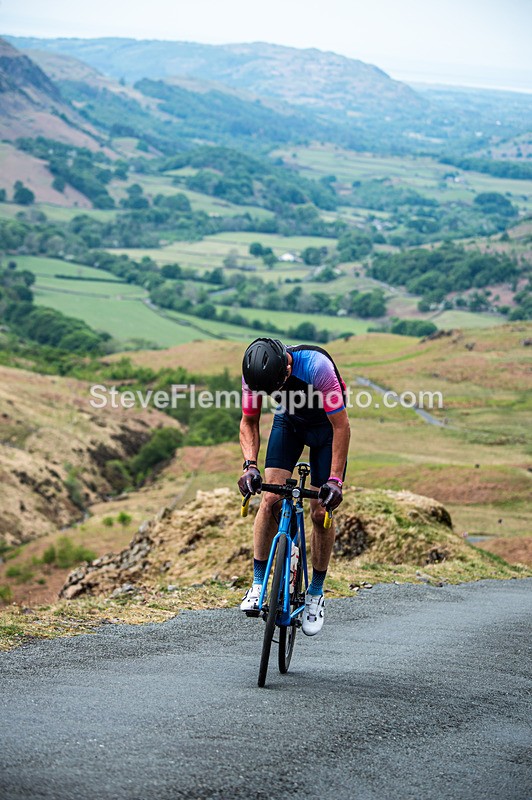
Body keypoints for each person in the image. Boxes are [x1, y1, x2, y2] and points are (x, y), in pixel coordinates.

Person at [238, 337, 350, 636]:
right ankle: (259, 583)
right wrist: (250, 466)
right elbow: (249, 421)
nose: (272, 393)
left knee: (319, 512)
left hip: (326, 428)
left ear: (287, 368)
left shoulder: (317, 367)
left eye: (275, 388)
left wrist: (335, 480)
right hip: (289, 422)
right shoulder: (254, 375)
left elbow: (341, 426)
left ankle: (315, 593)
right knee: (270, 499)